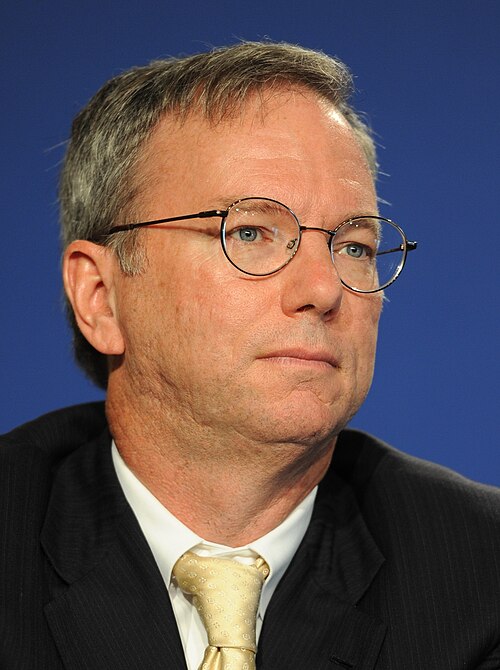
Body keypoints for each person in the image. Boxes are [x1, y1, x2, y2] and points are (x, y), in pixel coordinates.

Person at [1, 41, 499, 670]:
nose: (323, 289)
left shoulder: (480, 575)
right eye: (250, 232)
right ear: (101, 297)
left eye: (353, 246)